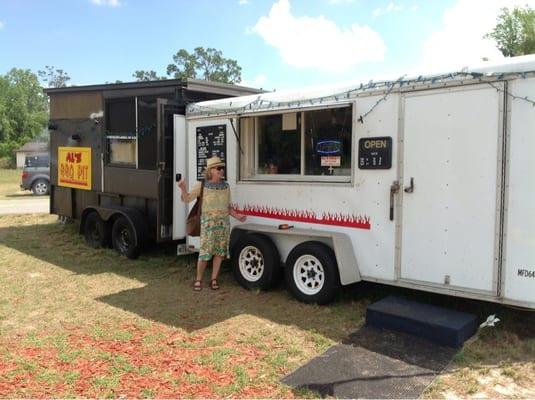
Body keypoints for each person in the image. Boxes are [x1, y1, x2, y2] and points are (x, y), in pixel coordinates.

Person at [177, 156, 246, 291]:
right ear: (211, 170)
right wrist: (183, 188)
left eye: (222, 168)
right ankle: (198, 279)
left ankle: (214, 279)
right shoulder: (201, 185)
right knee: (205, 253)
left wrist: (239, 217)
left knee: (219, 253)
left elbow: (228, 207)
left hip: (223, 225)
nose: (222, 170)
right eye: (219, 168)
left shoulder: (226, 186)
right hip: (208, 225)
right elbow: (187, 199)